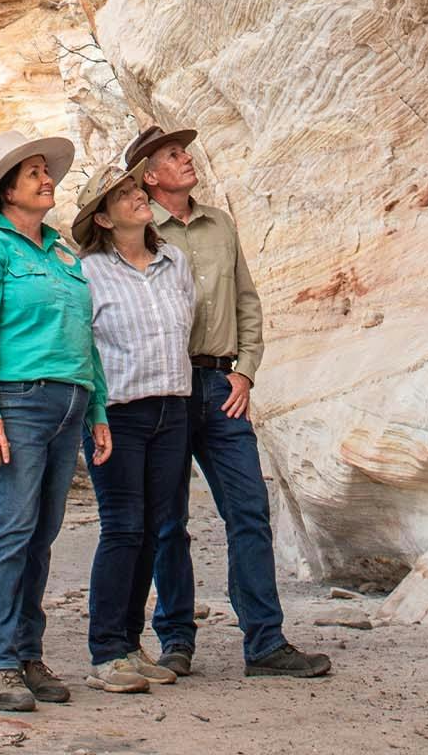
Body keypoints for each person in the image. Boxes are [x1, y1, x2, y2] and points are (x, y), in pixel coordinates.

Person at [124, 123, 332, 679]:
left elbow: (247, 302)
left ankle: (265, 643)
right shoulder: (142, 230)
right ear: (150, 176)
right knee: (168, 522)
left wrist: (246, 373)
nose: (185, 159)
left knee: (248, 510)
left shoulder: (221, 225)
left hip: (220, 388)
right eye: (172, 155)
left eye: (184, 151)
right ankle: (175, 640)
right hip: (165, 391)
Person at [0, 132, 114, 713]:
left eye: (47, 170)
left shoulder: (60, 253)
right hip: (15, 403)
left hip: (69, 405)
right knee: (11, 530)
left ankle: (25, 652)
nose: (48, 179)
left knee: (41, 535)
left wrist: (97, 408)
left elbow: (84, 339)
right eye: (34, 172)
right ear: (5, 190)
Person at [69, 160, 194, 695]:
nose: (137, 196)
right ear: (102, 218)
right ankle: (105, 651)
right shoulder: (88, 273)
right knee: (122, 526)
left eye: (134, 188)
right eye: (121, 194)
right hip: (117, 412)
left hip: (173, 410)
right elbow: (82, 348)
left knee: (155, 528)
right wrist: (94, 415)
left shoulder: (176, 261)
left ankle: (128, 643)